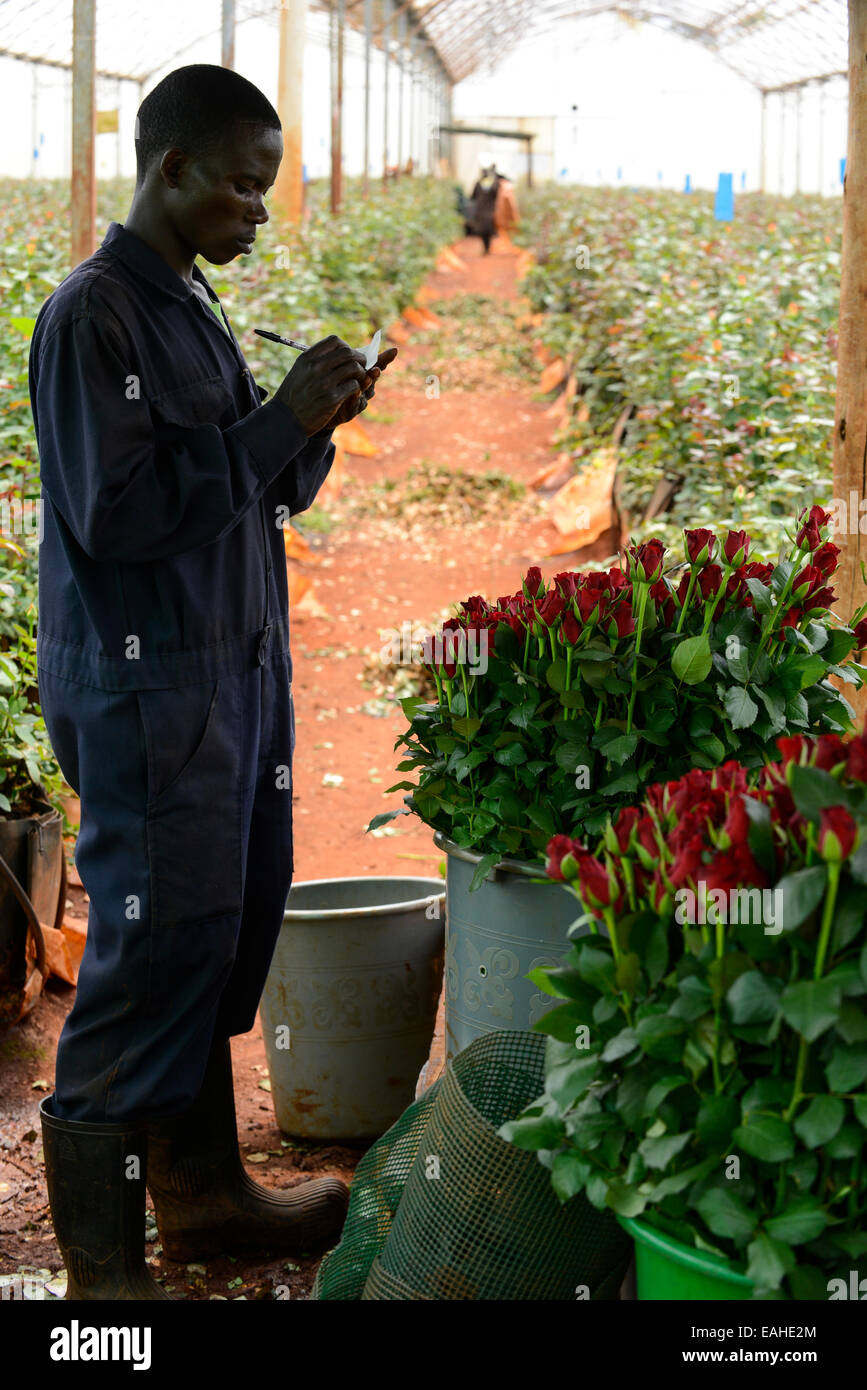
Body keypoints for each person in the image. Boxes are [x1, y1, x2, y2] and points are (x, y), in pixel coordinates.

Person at [29, 63, 397, 1301]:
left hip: (231, 672)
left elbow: (255, 483)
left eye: (266, 189)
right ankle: (102, 1270)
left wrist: (310, 423)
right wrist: (268, 422)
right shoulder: (98, 317)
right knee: (151, 944)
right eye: (241, 185)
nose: (255, 209)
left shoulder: (189, 300)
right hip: (151, 695)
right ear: (170, 168)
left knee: (222, 925)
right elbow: (118, 512)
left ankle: (201, 1196)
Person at [466, 157, 500, 254]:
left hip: (481, 211)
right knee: (489, 230)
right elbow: (497, 195)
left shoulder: (478, 183)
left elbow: (472, 196)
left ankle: (486, 247)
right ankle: (487, 247)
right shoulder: (494, 183)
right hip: (490, 210)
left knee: (482, 230)